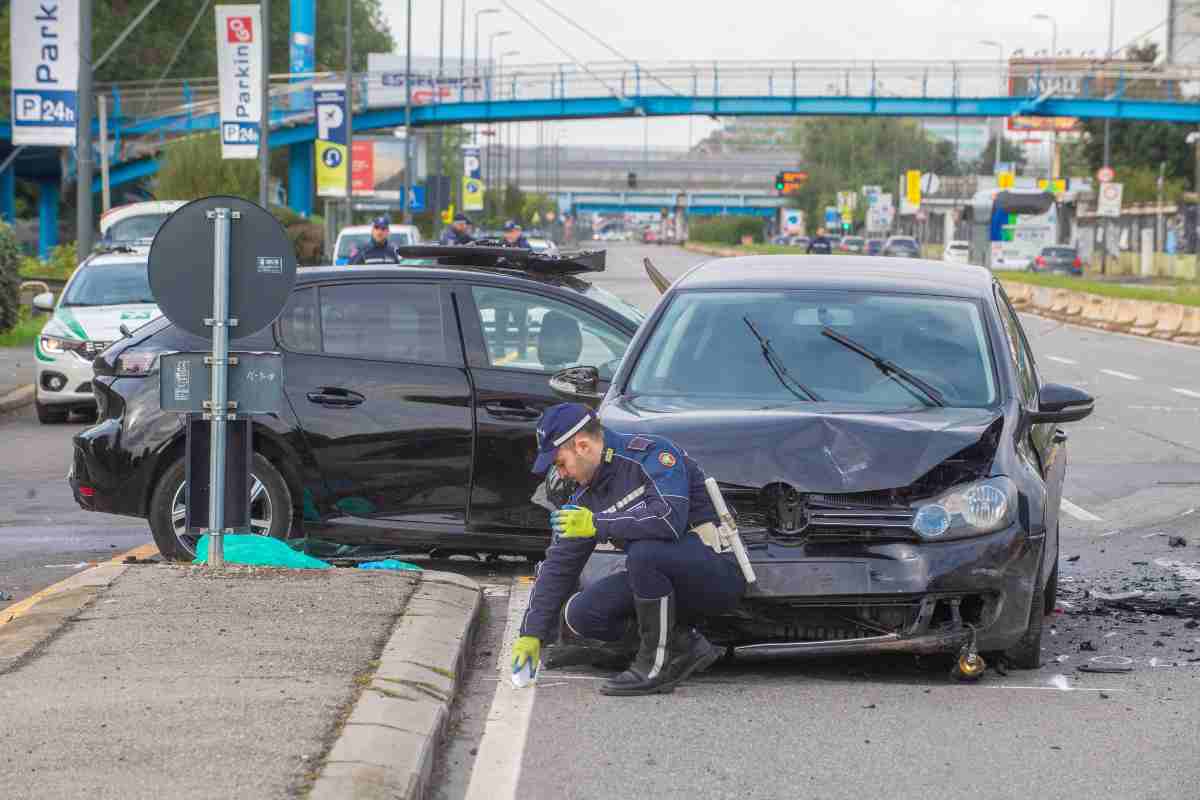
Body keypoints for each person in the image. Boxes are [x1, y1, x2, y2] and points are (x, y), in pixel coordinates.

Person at [511, 403, 747, 696]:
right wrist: (530, 633)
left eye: (560, 463)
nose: (562, 474)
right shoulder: (582, 494)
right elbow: (559, 565)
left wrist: (597, 523)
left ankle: (654, 666)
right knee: (582, 614)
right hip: (653, 576)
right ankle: (684, 645)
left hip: (714, 573)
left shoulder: (652, 455)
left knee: (646, 553)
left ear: (582, 446)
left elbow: (669, 520)